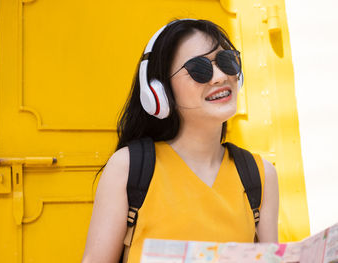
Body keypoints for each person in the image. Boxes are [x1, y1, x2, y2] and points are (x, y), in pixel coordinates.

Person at [81, 19, 279, 263]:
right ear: (159, 92)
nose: (219, 77)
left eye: (226, 61)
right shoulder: (128, 167)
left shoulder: (260, 175)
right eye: (199, 68)